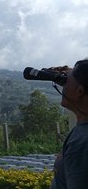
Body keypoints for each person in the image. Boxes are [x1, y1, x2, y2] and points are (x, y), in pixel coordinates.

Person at [50, 59, 88, 188]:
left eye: (66, 81)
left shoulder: (81, 144)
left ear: (80, 92)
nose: (63, 84)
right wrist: (74, 76)